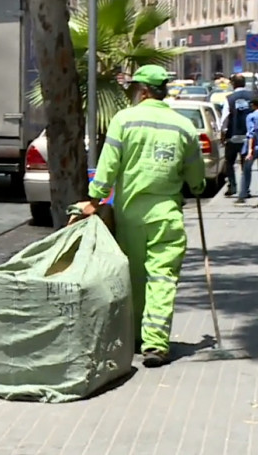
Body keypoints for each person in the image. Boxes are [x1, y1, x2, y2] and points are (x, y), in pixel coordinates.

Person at [76, 64, 206, 368]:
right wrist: (198, 187)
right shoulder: (183, 126)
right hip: (166, 215)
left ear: (144, 91)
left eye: (135, 89)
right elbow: (196, 175)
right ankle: (156, 344)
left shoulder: (124, 120)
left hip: (129, 215)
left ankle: (135, 336)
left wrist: (95, 197)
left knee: (134, 276)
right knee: (162, 277)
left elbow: (108, 166)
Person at [220, 74, 258, 198]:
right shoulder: (252, 97)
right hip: (248, 136)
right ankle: (245, 189)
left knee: (229, 162)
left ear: (233, 84)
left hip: (233, 136)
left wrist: (223, 133)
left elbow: (225, 118)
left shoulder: (229, 98)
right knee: (245, 163)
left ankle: (232, 186)